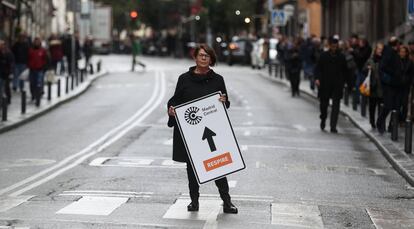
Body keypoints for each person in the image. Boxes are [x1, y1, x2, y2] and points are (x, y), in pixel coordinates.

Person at [167, 44, 238, 214]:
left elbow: (225, 103)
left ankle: (227, 202)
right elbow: (175, 100)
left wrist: (223, 100)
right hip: (192, 132)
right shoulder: (184, 79)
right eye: (201, 55)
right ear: (195, 58)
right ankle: (194, 201)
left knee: (218, 166)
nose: (204, 58)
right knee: (192, 168)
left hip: (212, 132)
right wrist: (171, 110)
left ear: (211, 59)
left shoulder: (218, 79)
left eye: (207, 56)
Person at [315, 37, 349, 133]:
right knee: (323, 105)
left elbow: (345, 71)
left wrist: (345, 82)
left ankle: (333, 126)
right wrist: (317, 78)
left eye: (336, 46)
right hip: (325, 83)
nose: (334, 48)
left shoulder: (341, 57)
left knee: (336, 106)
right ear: (329, 46)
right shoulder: (323, 56)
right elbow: (318, 68)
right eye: (332, 46)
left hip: (337, 84)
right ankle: (323, 118)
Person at [376, 37, 403, 134]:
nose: (400, 46)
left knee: (395, 107)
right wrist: (394, 74)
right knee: (388, 106)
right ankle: (380, 122)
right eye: (399, 44)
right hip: (390, 85)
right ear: (396, 45)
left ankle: (391, 126)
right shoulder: (389, 53)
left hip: (396, 84)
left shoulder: (393, 53)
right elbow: (383, 67)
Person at [363, 43, 384, 129]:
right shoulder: (370, 60)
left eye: (381, 49)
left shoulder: (384, 60)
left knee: (381, 107)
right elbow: (363, 70)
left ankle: (380, 122)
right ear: (375, 50)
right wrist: (367, 68)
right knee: (372, 106)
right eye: (378, 49)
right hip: (373, 87)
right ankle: (372, 122)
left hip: (382, 87)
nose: (380, 51)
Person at [28, 37, 48, 106]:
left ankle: (38, 97)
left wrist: (44, 67)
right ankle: (33, 95)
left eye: (38, 42)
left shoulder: (43, 50)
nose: (36, 43)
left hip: (40, 69)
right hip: (32, 69)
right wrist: (29, 65)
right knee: (32, 83)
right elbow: (28, 58)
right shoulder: (31, 50)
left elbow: (46, 59)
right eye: (35, 42)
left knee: (39, 83)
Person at [398, 45, 414, 123]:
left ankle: (402, 120)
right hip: (397, 85)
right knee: (398, 103)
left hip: (406, 86)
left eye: (404, 52)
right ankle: (399, 118)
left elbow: (412, 74)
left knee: (404, 104)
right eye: (401, 52)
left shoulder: (410, 62)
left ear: (406, 53)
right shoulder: (396, 61)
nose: (402, 53)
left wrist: (410, 82)